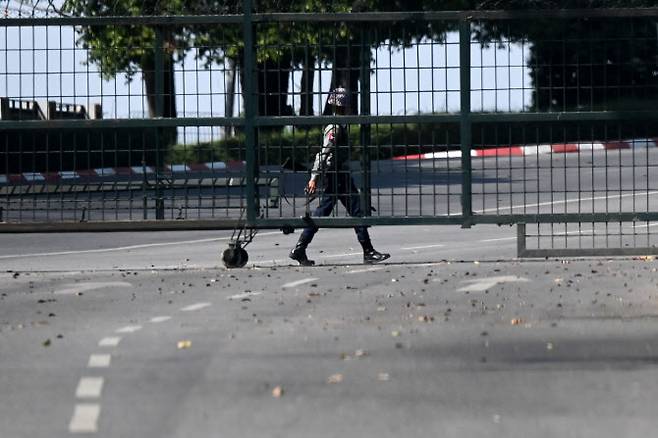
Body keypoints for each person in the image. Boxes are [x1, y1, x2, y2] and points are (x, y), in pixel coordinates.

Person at [289, 87, 390, 266]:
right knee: (355, 211)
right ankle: (368, 252)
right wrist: (314, 177)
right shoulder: (335, 127)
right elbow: (324, 153)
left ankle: (300, 248)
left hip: (338, 174)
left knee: (325, 213)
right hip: (336, 175)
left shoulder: (338, 124)